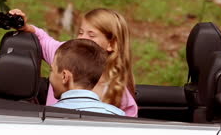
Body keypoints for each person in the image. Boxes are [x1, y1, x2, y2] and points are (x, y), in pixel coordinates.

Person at [9, 8, 138, 117]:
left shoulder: (118, 90)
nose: (82, 38)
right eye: (80, 32)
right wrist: (25, 27)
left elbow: (129, 130)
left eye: (91, 35)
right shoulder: (66, 54)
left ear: (112, 44)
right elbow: (42, 39)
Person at [49, 38, 125, 115]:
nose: (50, 77)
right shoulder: (118, 115)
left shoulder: (48, 116)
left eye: (51, 70)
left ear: (65, 76)